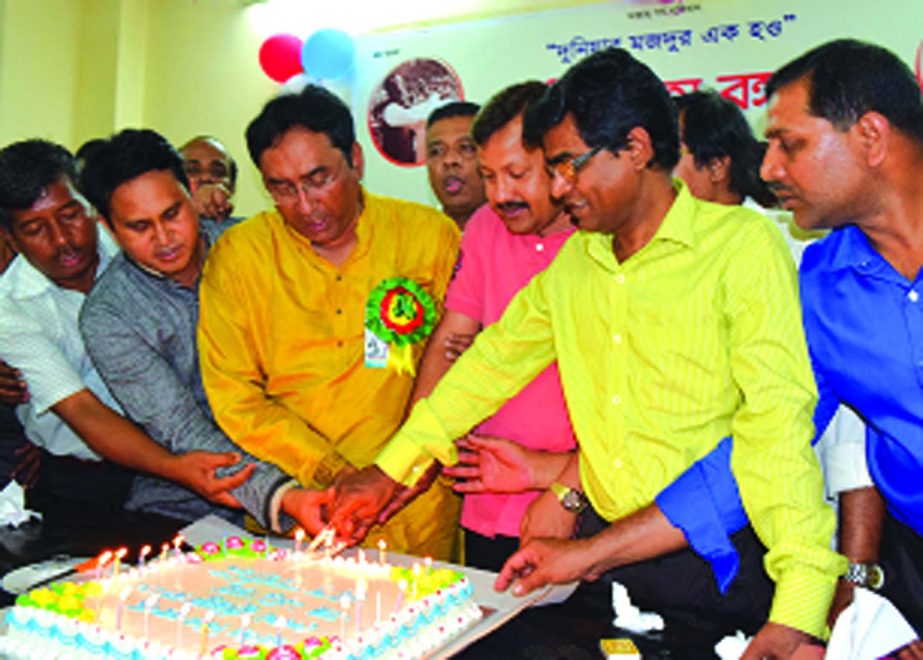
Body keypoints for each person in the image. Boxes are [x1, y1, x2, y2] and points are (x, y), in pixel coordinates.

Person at [330, 48, 845, 658]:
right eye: (551, 168)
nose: (557, 187)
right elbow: (490, 365)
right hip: (603, 558)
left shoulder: (739, 248)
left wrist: (801, 608)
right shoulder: (578, 263)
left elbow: (775, 425)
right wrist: (389, 470)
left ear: (635, 147)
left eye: (569, 165)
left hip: (719, 565)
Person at [197, 85, 462, 559]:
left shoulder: (428, 236)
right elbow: (234, 396)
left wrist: (394, 470)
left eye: (319, 179)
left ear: (356, 161)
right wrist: (332, 471)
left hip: (415, 504)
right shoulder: (240, 257)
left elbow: (460, 368)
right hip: (305, 506)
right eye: (281, 188)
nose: (305, 205)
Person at [77, 128, 329, 533]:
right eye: (139, 227)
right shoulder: (110, 315)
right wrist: (282, 494)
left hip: (313, 475)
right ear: (108, 227)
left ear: (192, 193)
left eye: (172, 213)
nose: (163, 239)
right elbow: (181, 427)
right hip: (188, 512)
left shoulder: (250, 246)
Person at [760, 38, 923, 636]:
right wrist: (600, 546)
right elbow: (773, 436)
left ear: (872, 137)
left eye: (791, 145)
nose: (768, 169)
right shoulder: (822, 288)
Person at [0, 139, 252, 522]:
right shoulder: (10, 309)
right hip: (82, 478)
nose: (63, 240)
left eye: (70, 215)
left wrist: (194, 206)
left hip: (185, 446)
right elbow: (83, 410)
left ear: (94, 210)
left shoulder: (136, 235)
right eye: (35, 229)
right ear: (10, 237)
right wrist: (174, 467)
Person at [413, 81, 577, 571]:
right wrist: (417, 447)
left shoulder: (597, 240)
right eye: (489, 176)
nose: (500, 194)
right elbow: (449, 339)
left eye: (517, 174)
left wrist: (567, 489)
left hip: (572, 500)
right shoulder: (485, 226)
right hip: (485, 493)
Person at [425, 101, 486, 228]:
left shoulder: (520, 234)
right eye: (437, 151)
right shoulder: (415, 236)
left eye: (465, 148)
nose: (449, 160)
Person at [180, 136, 238, 223]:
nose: (205, 178)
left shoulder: (249, 232)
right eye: (192, 170)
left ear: (232, 187)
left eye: (217, 172)